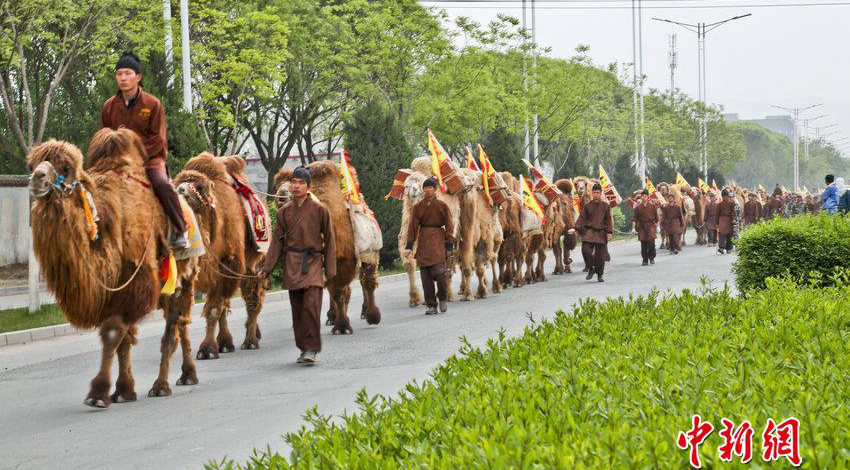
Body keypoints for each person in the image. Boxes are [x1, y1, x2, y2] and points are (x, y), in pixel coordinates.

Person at [100, 52, 188, 248]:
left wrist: (135, 157)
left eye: (127, 73)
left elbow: (158, 139)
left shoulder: (152, 104)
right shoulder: (109, 106)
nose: (122, 78)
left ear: (138, 77)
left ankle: (180, 229)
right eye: (119, 74)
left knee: (162, 184)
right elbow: (104, 136)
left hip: (151, 160)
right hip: (117, 162)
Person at [259, 167, 336, 364]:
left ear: (308, 186)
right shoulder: (284, 212)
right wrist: (266, 268)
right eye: (294, 182)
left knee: (311, 305)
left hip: (313, 262)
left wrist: (330, 268)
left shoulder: (320, 210)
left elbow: (329, 238)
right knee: (298, 309)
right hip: (292, 264)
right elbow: (277, 242)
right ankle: (303, 348)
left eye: (301, 182)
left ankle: (311, 348)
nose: (296, 186)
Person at [403, 177, 455, 315]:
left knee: (439, 273)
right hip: (424, 241)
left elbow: (450, 224)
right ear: (423, 190)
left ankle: (442, 298)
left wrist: (449, 243)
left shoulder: (442, 206)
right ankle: (431, 305)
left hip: (438, 239)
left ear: (435, 189)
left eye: (430, 188)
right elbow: (413, 227)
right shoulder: (418, 207)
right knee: (425, 278)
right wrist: (409, 245)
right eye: (425, 188)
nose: (428, 190)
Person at [576, 183, 613, 282]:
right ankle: (591, 268)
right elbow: (581, 219)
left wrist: (609, 232)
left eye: (598, 192)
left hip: (601, 232)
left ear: (600, 193)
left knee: (600, 256)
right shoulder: (587, 206)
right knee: (585, 250)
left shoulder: (606, 206)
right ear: (592, 193)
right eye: (594, 192)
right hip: (590, 232)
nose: (596, 194)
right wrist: (576, 228)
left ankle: (600, 275)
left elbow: (609, 220)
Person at [632, 189, 658, 266]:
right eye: (643, 196)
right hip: (642, 227)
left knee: (651, 244)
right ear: (641, 197)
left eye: (645, 196)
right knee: (643, 245)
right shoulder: (638, 207)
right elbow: (634, 219)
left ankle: (652, 258)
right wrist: (633, 228)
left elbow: (656, 218)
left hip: (651, 226)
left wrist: (657, 226)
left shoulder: (652, 206)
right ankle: (645, 260)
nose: (644, 198)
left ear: (648, 197)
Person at [715, 189, 737, 254]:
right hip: (722, 219)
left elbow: (733, 212)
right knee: (722, 234)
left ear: (727, 196)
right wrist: (717, 223)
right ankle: (721, 248)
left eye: (726, 196)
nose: (725, 198)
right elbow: (717, 214)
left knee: (729, 234)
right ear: (722, 197)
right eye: (723, 196)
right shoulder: (719, 205)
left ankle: (729, 248)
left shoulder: (732, 203)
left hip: (729, 220)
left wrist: (734, 219)